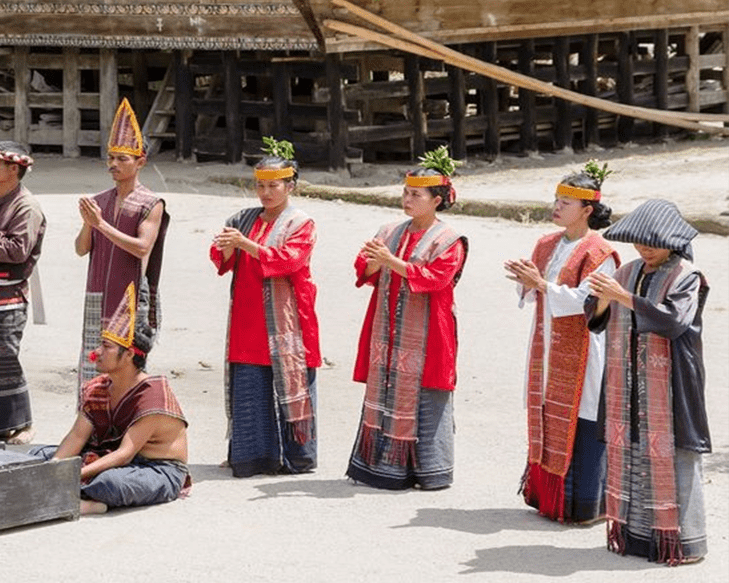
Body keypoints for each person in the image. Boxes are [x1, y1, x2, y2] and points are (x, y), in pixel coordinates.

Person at [586, 199, 710, 565]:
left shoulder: (688, 277)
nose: (644, 250)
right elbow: (594, 316)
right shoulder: (626, 272)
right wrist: (606, 301)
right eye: (639, 243)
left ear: (672, 241)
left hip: (673, 382)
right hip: (627, 380)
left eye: (651, 243)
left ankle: (684, 544)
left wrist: (621, 296)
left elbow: (673, 322)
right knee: (633, 452)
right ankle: (638, 538)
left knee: (676, 456)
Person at [347, 146, 468, 491]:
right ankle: (380, 467)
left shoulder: (450, 239)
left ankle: (430, 471)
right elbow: (365, 270)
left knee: (427, 394)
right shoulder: (389, 230)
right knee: (384, 388)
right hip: (387, 326)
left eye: (416, 194)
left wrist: (390, 261)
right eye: (405, 192)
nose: (407, 199)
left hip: (430, 331)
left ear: (437, 200)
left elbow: (435, 279)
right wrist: (375, 260)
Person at [505, 161, 619, 524]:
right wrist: (525, 281)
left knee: (583, 417)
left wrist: (540, 285)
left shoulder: (599, 253)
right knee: (545, 411)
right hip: (546, 344)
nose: (556, 207)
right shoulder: (546, 243)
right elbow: (533, 292)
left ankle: (585, 504)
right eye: (556, 199)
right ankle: (545, 497)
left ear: (587, 210)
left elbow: (587, 301)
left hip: (584, 348)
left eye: (565, 202)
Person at [209, 138, 320, 477]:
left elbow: (290, 260)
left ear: (290, 186)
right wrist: (228, 248)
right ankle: (252, 456)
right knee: (250, 387)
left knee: (292, 383)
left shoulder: (301, 222)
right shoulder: (242, 218)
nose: (266, 192)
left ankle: (296, 457)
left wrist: (246, 244)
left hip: (288, 317)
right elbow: (221, 259)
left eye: (274, 185)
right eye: (260, 185)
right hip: (247, 314)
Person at [35, 282, 189, 516]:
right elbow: (77, 436)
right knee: (39, 457)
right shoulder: (99, 387)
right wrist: (54, 467)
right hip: (111, 454)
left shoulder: (153, 395)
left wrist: (71, 474)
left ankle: (86, 501)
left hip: (156, 468)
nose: (96, 352)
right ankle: (68, 492)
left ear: (128, 354)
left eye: (106, 346)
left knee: (109, 483)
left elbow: (124, 454)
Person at [75, 97, 169, 387]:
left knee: (125, 367)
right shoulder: (100, 200)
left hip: (128, 295)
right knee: (93, 364)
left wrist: (100, 224)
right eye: (110, 158)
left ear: (140, 162)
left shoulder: (151, 203)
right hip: (97, 292)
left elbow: (142, 247)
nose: (113, 165)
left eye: (122, 159)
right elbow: (81, 249)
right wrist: (89, 225)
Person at [0, 138, 46, 444]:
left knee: (4, 357)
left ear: (14, 169)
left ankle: (22, 423)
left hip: (8, 296)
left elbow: (17, 249)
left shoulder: (26, 206)